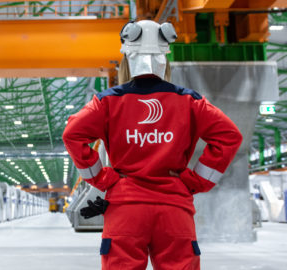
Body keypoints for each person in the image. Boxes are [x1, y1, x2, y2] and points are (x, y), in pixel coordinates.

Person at [62, 20, 243, 270]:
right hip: (174, 208)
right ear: (165, 57)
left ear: (127, 56)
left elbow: (73, 133)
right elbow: (229, 136)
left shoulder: (106, 103)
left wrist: (101, 179)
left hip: (125, 208)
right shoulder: (190, 101)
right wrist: (195, 181)